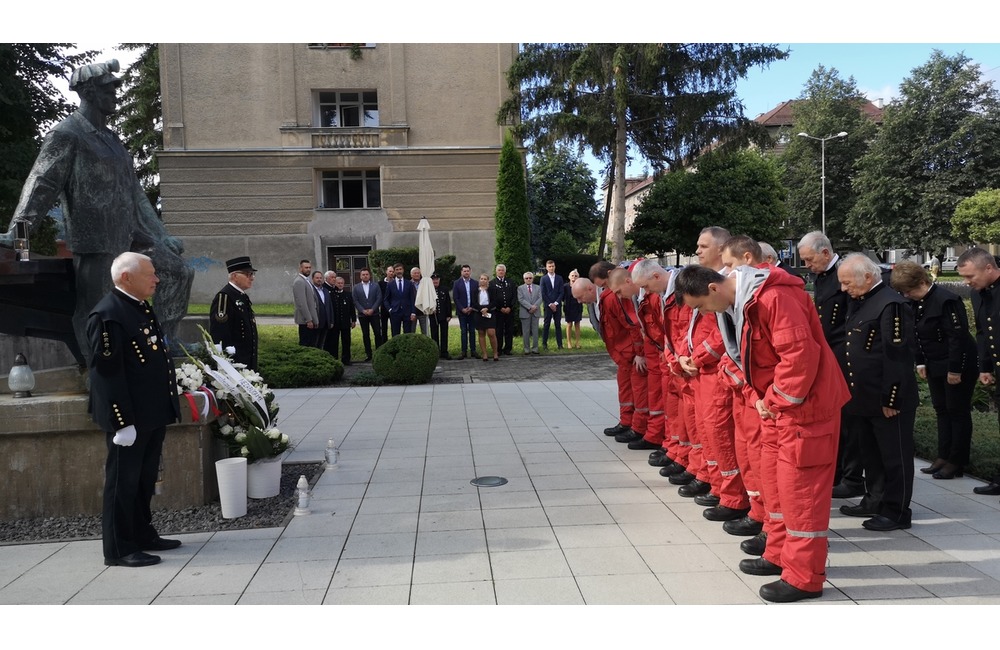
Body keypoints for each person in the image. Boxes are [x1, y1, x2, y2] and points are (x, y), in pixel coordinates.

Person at [674, 261, 850, 603]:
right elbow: (747, 358)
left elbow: (798, 356)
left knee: (802, 496)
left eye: (700, 307)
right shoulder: (743, 302)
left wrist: (775, 400)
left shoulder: (773, 298)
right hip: (779, 409)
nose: (704, 314)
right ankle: (780, 554)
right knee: (776, 487)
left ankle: (804, 578)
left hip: (805, 410)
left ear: (712, 289)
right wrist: (761, 398)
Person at [3, 60, 193, 359]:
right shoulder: (68, 134)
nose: (116, 94)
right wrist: (19, 236)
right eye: (109, 89)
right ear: (89, 93)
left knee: (177, 271)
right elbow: (42, 184)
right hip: (96, 238)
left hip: (132, 235)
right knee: (97, 305)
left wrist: (161, 235)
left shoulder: (113, 140)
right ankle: (99, 368)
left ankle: (163, 342)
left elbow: (136, 194)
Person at [87, 252, 181, 568]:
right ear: (126, 277)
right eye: (150, 274)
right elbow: (107, 375)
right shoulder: (109, 314)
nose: (156, 279)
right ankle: (118, 548)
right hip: (130, 418)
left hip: (150, 413)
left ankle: (142, 533)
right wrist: (121, 422)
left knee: (143, 478)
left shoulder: (137, 308)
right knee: (122, 483)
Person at [837, 253, 918, 532]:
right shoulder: (861, 301)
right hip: (863, 397)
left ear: (868, 277)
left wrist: (891, 399)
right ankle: (874, 499)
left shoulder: (891, 305)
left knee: (894, 457)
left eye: (848, 283)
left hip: (887, 400)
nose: (844, 289)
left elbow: (898, 358)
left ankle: (897, 511)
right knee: (870, 454)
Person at [891, 260, 978, 479]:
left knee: (957, 410)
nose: (907, 295)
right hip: (933, 363)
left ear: (922, 282)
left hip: (957, 362)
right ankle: (943, 454)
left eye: (910, 290)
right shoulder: (914, 303)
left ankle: (957, 460)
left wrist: (955, 369)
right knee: (941, 409)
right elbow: (915, 335)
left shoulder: (946, 300)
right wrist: (920, 362)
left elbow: (957, 338)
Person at [798, 231, 864, 500]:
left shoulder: (845, 273)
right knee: (833, 417)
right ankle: (836, 472)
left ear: (825, 252)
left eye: (809, 260)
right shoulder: (822, 276)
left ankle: (852, 477)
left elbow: (854, 317)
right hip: (827, 354)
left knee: (849, 421)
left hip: (844, 354)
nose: (806, 266)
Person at [957, 248, 1000, 496]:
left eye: (970, 276)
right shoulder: (978, 294)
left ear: (988, 268)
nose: (967, 282)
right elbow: (984, 332)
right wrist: (985, 366)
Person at [208, 256, 259, 371]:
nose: (252, 278)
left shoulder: (241, 296)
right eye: (248, 274)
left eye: (252, 274)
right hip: (235, 362)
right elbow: (220, 332)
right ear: (235, 276)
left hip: (247, 360)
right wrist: (227, 360)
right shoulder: (225, 296)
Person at [352, 267, 382, 362]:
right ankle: (368, 355)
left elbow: (379, 298)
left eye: (367, 274)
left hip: (375, 314)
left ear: (370, 275)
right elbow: (355, 300)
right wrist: (362, 310)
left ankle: (379, 353)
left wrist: (373, 309)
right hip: (362, 315)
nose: (365, 276)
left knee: (377, 333)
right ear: (360, 276)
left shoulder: (375, 286)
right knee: (365, 335)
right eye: (363, 274)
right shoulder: (356, 287)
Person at [327, 273, 356, 365]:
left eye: (342, 283)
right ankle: (334, 359)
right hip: (335, 322)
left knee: (346, 341)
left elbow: (352, 308)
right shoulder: (332, 295)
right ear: (335, 283)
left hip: (345, 322)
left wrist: (353, 320)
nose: (340, 284)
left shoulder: (348, 294)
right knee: (334, 342)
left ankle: (346, 359)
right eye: (338, 283)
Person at [490, 264, 517, 355]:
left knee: (509, 330)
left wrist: (510, 307)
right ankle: (499, 349)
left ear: (505, 272)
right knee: (499, 331)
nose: (501, 272)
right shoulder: (492, 283)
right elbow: (492, 298)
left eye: (502, 270)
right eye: (499, 270)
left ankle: (508, 349)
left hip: (509, 311)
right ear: (496, 272)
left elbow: (514, 296)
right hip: (498, 312)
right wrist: (500, 308)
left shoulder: (511, 282)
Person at [452, 264, 478, 359]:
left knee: (472, 331)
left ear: (470, 272)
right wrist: (462, 309)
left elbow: (476, 298)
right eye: (464, 271)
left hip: (472, 311)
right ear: (461, 272)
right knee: (463, 331)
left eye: (468, 271)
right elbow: (455, 298)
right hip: (461, 312)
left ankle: (473, 350)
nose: (466, 272)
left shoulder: (475, 283)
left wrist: (471, 307)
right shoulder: (456, 283)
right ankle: (463, 351)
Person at [292, 260, 319, 346]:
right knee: (306, 344)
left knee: (312, 344)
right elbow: (301, 303)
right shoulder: (299, 282)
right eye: (306, 268)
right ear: (300, 268)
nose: (308, 269)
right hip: (305, 322)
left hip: (311, 319)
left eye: (309, 267)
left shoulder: (307, 281)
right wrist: (309, 320)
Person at [385, 262, 416, 336]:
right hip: (395, 312)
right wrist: (390, 309)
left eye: (400, 269)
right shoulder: (390, 284)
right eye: (397, 269)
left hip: (407, 312)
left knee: (408, 334)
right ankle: (396, 347)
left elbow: (412, 298)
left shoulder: (409, 283)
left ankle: (407, 347)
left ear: (403, 270)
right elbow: (386, 299)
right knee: (395, 334)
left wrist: (413, 312)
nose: (399, 271)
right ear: (394, 271)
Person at [473, 273, 499, 361]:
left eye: (485, 279)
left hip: (490, 313)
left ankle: (495, 352)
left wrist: (487, 308)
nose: (483, 280)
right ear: (479, 280)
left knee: (491, 333)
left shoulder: (492, 289)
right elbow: (474, 303)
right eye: (481, 279)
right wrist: (482, 309)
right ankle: (484, 354)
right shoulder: (475, 290)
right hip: (479, 313)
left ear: (488, 281)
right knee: (481, 333)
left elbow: (495, 301)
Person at [540, 259, 565, 350]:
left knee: (558, 325)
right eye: (549, 266)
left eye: (553, 266)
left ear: (555, 267)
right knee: (546, 324)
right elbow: (543, 293)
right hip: (548, 305)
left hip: (557, 305)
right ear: (546, 268)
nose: (551, 268)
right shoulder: (543, 279)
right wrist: (550, 304)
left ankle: (560, 344)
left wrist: (556, 303)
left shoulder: (559, 278)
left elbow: (561, 292)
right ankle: (544, 344)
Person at [517, 271, 543, 354]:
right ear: (524, 279)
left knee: (535, 331)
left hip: (536, 312)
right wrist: (530, 307)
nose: (528, 279)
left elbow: (541, 298)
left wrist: (535, 306)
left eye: (530, 278)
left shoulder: (538, 287)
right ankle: (526, 349)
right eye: (526, 278)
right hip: (525, 312)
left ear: (533, 279)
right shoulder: (520, 288)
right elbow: (520, 299)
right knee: (526, 332)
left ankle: (535, 348)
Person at [430, 273, 452, 359]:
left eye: (437, 279)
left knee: (444, 334)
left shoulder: (444, 289)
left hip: (443, 316)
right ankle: (436, 352)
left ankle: (444, 352)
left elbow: (448, 303)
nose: (435, 281)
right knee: (434, 334)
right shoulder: (429, 290)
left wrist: (449, 315)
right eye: (434, 279)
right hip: (433, 315)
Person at [563, 269, 583, 348]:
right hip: (568, 307)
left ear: (578, 277)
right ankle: (569, 343)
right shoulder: (565, 287)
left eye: (576, 276)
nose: (574, 277)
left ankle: (577, 342)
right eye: (572, 276)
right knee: (569, 324)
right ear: (569, 277)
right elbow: (562, 297)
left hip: (578, 307)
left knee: (577, 324)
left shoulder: (581, 286)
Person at [311, 271, 331, 351]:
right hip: (316, 321)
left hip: (325, 322)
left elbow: (329, 306)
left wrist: (331, 320)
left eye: (320, 278)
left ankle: (320, 355)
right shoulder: (311, 290)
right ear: (312, 279)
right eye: (317, 278)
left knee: (321, 343)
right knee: (314, 342)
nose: (319, 280)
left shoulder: (325, 291)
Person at [378, 265, 395, 346]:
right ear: (386, 272)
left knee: (394, 327)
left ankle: (393, 344)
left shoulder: (396, 283)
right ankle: (384, 344)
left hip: (394, 308)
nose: (391, 273)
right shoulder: (380, 283)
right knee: (384, 328)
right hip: (384, 308)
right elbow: (379, 296)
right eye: (390, 271)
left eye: (392, 271)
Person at [411, 267, 429, 335]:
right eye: (415, 273)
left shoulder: (424, 284)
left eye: (418, 273)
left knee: (425, 331)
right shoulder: (408, 284)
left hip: (422, 311)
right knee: (412, 332)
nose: (417, 274)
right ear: (411, 275)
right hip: (412, 312)